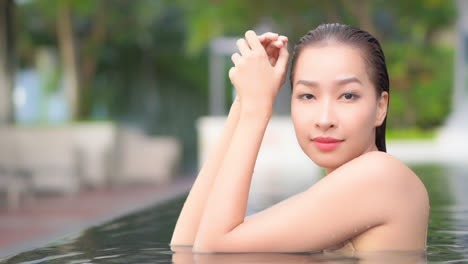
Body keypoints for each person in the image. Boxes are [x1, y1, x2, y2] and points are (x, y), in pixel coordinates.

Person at [170, 23, 429, 254]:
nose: (324, 118)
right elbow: (184, 247)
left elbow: (212, 253)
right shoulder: (345, 198)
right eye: (308, 96)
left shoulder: (380, 175)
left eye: (348, 95)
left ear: (380, 107)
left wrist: (257, 109)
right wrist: (245, 101)